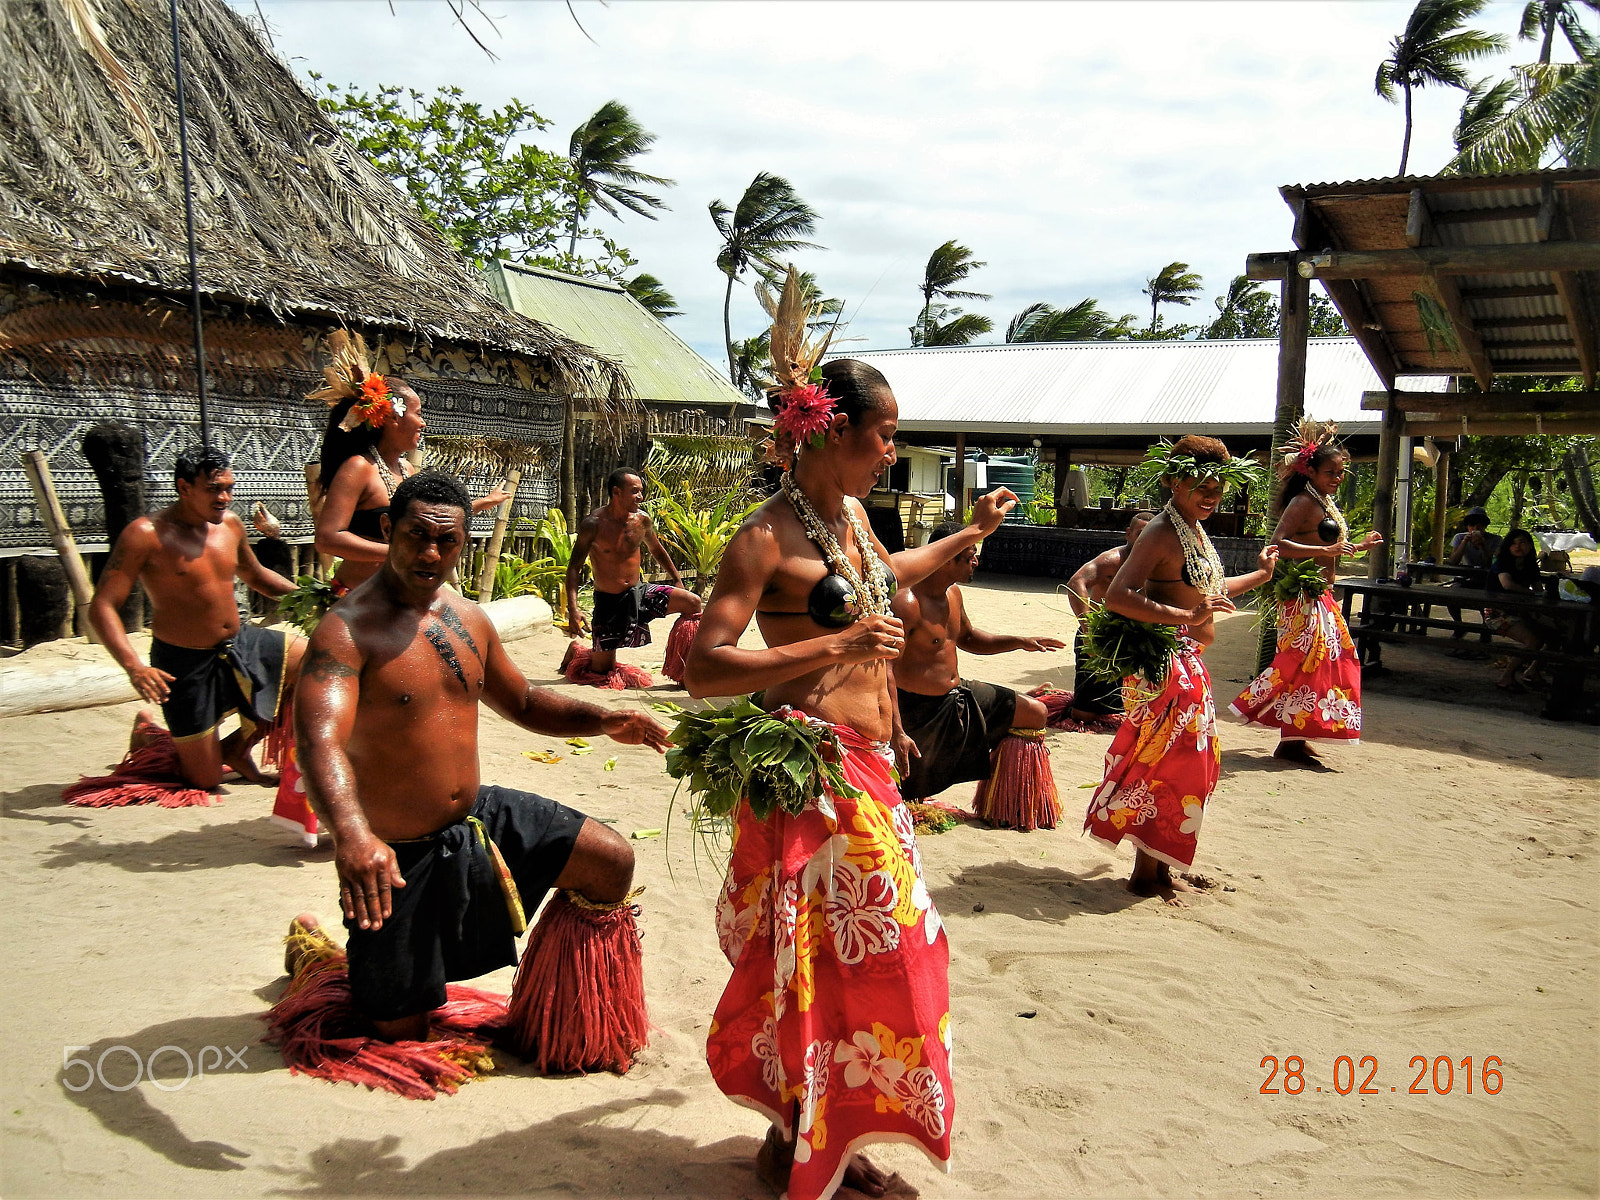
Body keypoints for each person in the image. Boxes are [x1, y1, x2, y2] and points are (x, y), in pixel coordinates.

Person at [682, 279, 1016, 1200]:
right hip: (814, 784)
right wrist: (836, 643)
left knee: (865, 969)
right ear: (830, 431)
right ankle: (799, 1141)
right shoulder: (762, 539)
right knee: (840, 969)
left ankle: (817, 1132)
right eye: (885, 433)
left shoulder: (855, 523)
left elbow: (888, 580)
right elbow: (704, 668)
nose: (891, 450)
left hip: (873, 772)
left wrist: (962, 540)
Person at [292, 471, 670, 1056]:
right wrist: (352, 835)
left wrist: (604, 719)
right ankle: (321, 964)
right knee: (397, 1032)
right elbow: (319, 743)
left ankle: (563, 1023)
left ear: (464, 542)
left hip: (476, 818)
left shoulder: (468, 618)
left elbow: (523, 701)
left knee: (610, 861)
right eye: (416, 536)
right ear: (388, 530)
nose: (430, 554)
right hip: (393, 856)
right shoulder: (346, 632)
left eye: (447, 542)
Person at [1082, 436, 1276, 906]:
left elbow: (1209, 589)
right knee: (1167, 766)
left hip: (1186, 662)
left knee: (1192, 768)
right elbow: (1117, 596)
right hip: (1163, 666)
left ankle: (1161, 867)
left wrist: (1261, 576)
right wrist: (1186, 619)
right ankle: (1145, 874)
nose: (1211, 494)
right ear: (1172, 479)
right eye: (1199, 484)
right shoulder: (1161, 532)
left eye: (1218, 485)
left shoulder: (1190, 529)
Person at [87, 444, 305, 790]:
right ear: (183, 487)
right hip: (184, 662)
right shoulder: (145, 535)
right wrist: (134, 667)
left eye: (229, 488)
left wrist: (312, 598)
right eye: (214, 489)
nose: (224, 498)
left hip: (240, 642)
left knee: (314, 662)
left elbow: (256, 575)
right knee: (203, 781)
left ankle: (236, 748)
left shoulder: (231, 525)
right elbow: (102, 606)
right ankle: (151, 736)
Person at [890, 523, 1064, 828]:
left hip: (957, 698)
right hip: (914, 711)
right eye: (969, 555)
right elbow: (884, 670)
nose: (976, 561)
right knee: (904, 789)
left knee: (1034, 712)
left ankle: (1009, 809)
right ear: (946, 558)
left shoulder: (953, 594)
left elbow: (968, 638)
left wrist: (1020, 641)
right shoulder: (906, 602)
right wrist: (896, 729)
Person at [1230, 421, 1382, 765]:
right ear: (1310, 471)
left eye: (1341, 472)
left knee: (1325, 663)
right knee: (1303, 662)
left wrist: (1359, 546)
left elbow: (1327, 546)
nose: (1337, 477)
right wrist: (1327, 553)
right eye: (1331, 471)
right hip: (1300, 595)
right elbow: (1277, 543)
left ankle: (1296, 737)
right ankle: (1283, 733)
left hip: (1321, 592)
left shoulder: (1324, 502)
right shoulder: (1302, 501)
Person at [311, 335, 508, 598]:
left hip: (399, 598)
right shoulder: (359, 468)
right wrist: (399, 553)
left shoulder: (406, 469)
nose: (423, 423)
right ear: (393, 418)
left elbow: (425, 518)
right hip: (357, 600)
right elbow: (328, 538)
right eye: (418, 413)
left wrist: (484, 502)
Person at [563, 468, 702, 679]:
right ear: (617, 492)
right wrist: (573, 610)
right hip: (609, 603)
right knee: (602, 672)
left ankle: (685, 673)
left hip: (640, 593)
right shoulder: (593, 524)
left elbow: (657, 550)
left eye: (641, 491)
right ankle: (577, 650)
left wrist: (676, 579)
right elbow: (574, 567)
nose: (641, 497)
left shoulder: (641, 520)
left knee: (692, 602)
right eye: (635, 491)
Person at [1063, 511, 1153, 722]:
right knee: (1083, 715)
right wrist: (1089, 631)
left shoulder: (1159, 564)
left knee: (1135, 708)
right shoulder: (1112, 561)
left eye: (1150, 533)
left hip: (1137, 638)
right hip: (1102, 635)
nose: (1144, 539)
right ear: (1128, 534)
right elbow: (1076, 583)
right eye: (1140, 533)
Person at [1485, 528, 1557, 690]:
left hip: (1523, 612)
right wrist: (1534, 593)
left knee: (1555, 636)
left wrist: (1542, 594)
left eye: (1523, 542)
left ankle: (1532, 671)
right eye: (1514, 543)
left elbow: (1539, 589)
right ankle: (1506, 677)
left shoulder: (1530, 565)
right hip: (1497, 613)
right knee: (1534, 641)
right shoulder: (1502, 564)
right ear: (1508, 547)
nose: (1518, 547)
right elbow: (1507, 584)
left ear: (1530, 546)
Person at [1445, 506, 1502, 644]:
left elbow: (1490, 564)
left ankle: (1485, 629)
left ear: (1484, 526)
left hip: (1486, 581)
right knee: (1450, 595)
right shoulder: (1459, 538)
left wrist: (1482, 546)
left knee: (1486, 599)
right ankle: (1459, 625)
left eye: (1479, 524)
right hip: (1466, 578)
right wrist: (1465, 542)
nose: (1475, 527)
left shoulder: (1496, 540)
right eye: (1472, 524)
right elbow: (1453, 561)